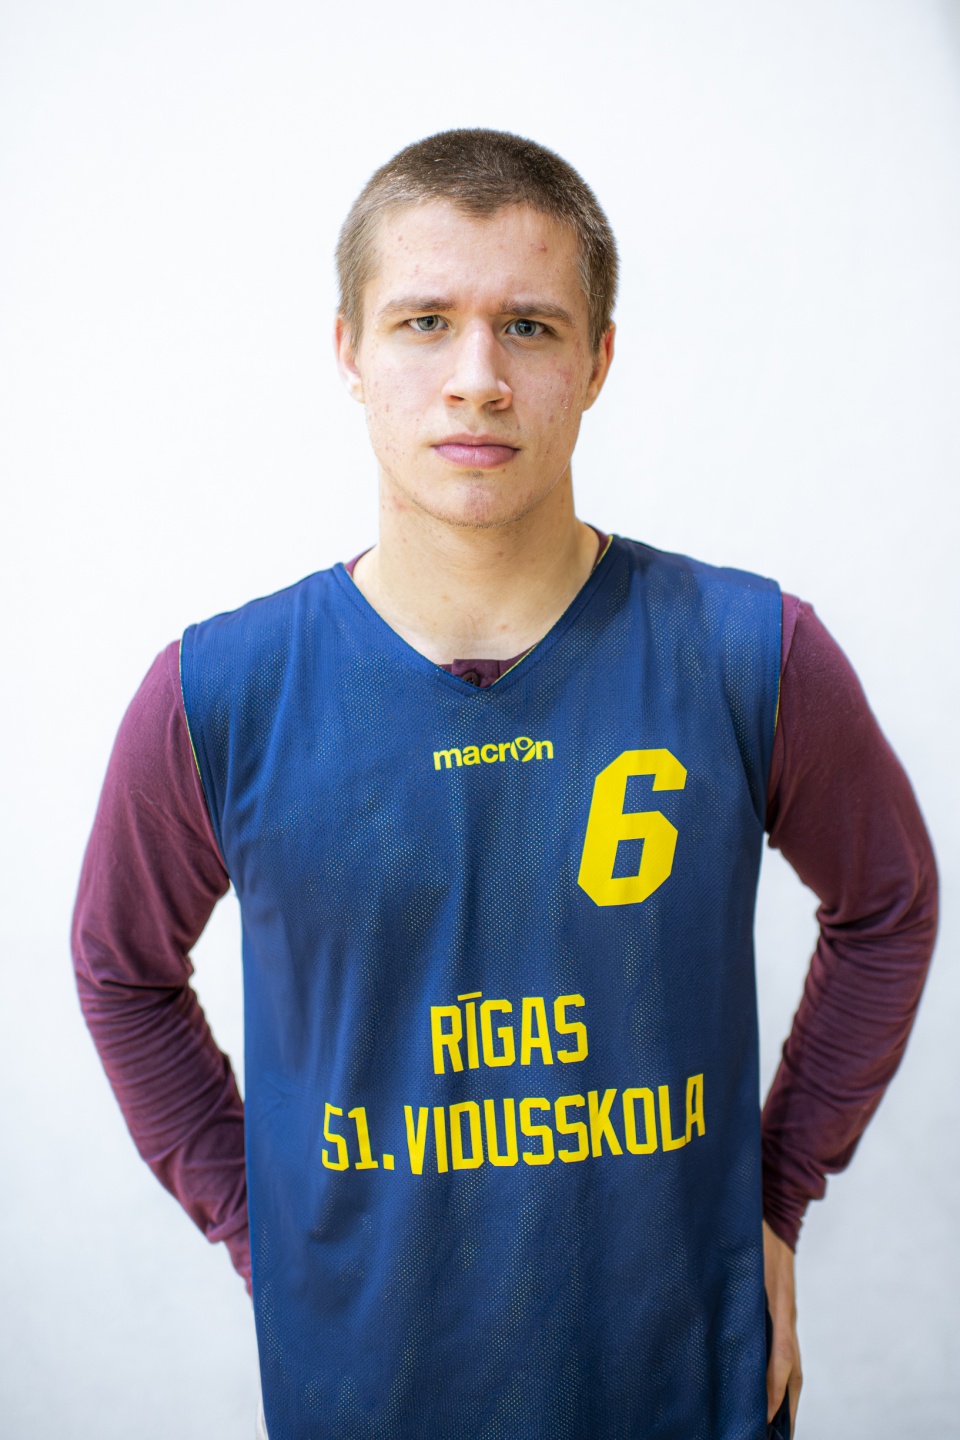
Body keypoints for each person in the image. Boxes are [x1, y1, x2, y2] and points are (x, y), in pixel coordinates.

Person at [72, 129, 937, 1440]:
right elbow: (121, 972)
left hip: (684, 1382)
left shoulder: (747, 651)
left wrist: (776, 1191)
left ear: (597, 361)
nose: (476, 379)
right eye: (425, 321)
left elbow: (889, 905)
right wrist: (264, 1224)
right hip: (367, 1396)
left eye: (528, 327)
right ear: (350, 350)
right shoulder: (221, 693)